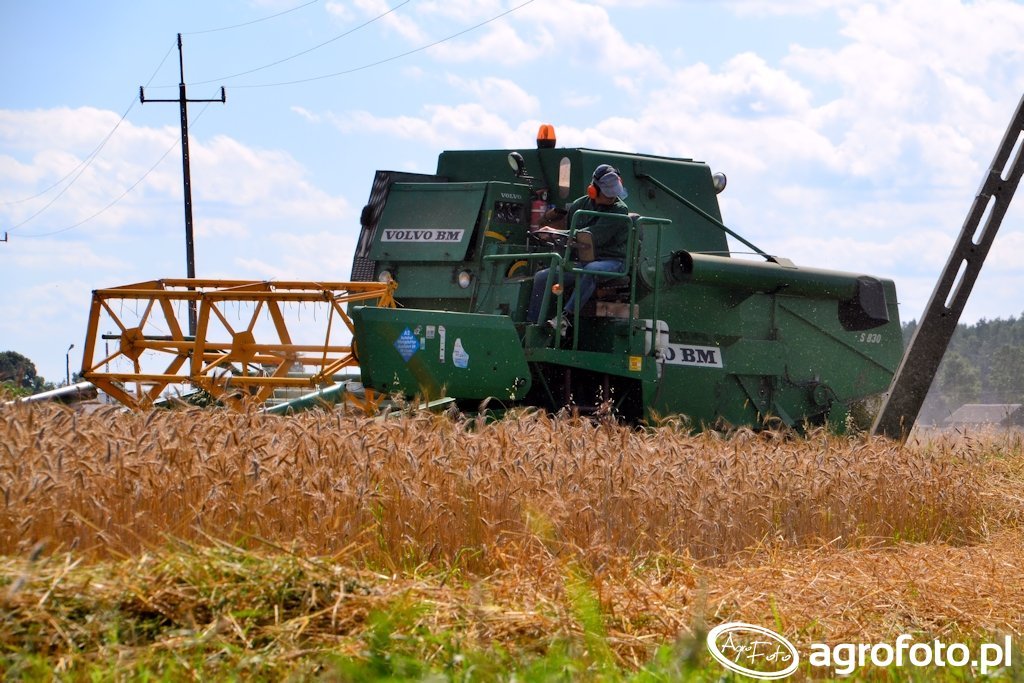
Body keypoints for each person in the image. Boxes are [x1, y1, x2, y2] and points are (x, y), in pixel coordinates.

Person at [526, 164, 630, 335]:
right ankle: (532, 326)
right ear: (593, 190)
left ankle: (565, 318)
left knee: (591, 270)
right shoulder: (578, 206)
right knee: (543, 277)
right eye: (607, 193)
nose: (612, 197)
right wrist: (552, 237)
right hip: (584, 261)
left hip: (612, 262)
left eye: (614, 192)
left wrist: (556, 232)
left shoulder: (620, 210)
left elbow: (592, 237)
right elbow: (571, 240)